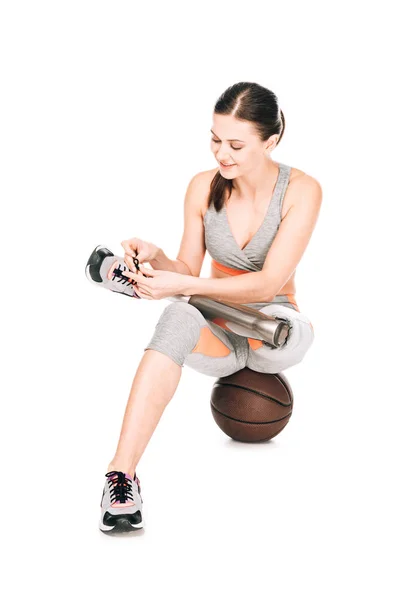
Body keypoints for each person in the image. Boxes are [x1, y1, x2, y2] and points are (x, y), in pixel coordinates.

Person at [85, 81, 323, 533]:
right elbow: (187, 265)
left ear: (270, 141)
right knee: (176, 315)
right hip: (217, 326)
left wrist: (181, 284)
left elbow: (270, 280)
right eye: (215, 139)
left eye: (236, 144)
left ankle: (133, 283)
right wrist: (159, 261)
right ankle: (121, 475)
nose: (222, 154)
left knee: (283, 331)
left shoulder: (302, 190)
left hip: (275, 326)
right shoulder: (201, 187)